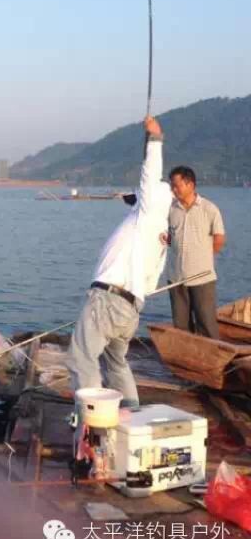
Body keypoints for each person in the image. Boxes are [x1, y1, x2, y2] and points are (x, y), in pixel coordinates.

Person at [66, 116, 172, 409]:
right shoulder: (159, 232)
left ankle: (93, 422)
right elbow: (137, 196)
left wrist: (154, 139)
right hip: (130, 308)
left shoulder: (149, 215)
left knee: (81, 357)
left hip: (109, 300)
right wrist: (131, 198)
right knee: (117, 363)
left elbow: (149, 179)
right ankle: (132, 413)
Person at [165, 166, 226, 338]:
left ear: (190, 184)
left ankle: (213, 360)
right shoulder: (171, 210)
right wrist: (165, 239)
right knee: (181, 325)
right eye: (172, 186)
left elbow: (219, 239)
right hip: (176, 278)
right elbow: (169, 238)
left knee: (206, 322)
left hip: (202, 277)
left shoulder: (209, 208)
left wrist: (202, 259)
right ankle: (188, 359)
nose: (174, 190)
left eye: (177, 186)